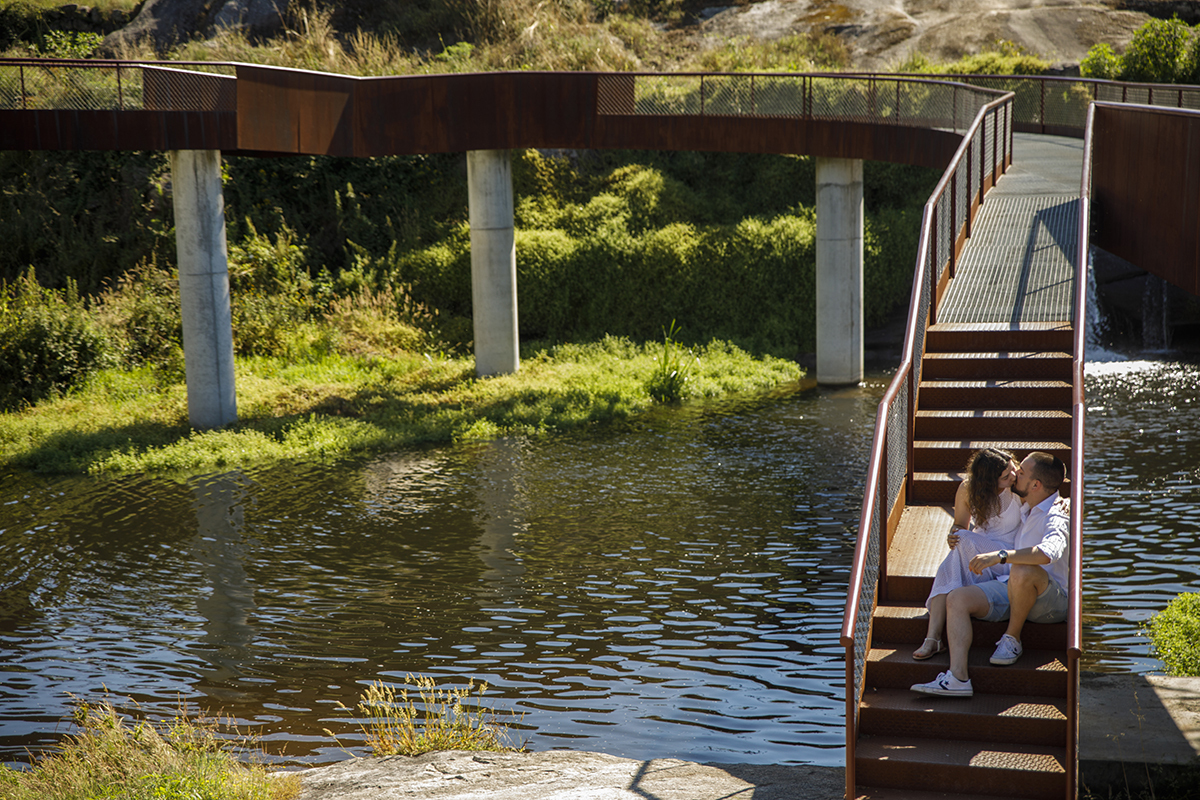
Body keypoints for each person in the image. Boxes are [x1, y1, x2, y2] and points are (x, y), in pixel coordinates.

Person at [911, 451, 1069, 697]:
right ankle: (958, 678)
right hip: (1009, 583)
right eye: (1012, 473)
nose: (1016, 474)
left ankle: (1012, 638)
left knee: (1023, 568)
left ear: (1035, 484)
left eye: (1020, 472)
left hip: (1048, 596)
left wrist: (1001, 556)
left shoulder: (1055, 513)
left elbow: (1049, 552)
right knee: (958, 598)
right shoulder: (1028, 501)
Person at [912, 448, 1021, 660]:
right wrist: (952, 535)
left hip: (1005, 556)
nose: (1014, 476)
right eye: (1006, 476)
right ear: (988, 481)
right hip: (975, 550)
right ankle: (933, 638)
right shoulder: (968, 489)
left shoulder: (1018, 488)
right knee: (961, 542)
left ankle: (932, 639)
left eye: (1013, 469)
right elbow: (959, 525)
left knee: (961, 545)